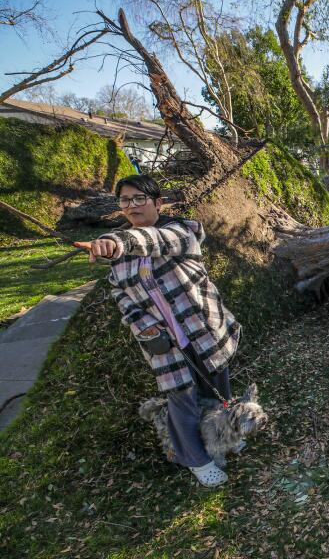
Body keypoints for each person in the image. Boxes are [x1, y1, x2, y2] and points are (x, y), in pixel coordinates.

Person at [74, 175, 241, 487]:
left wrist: (118, 243)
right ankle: (197, 460)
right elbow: (122, 297)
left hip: (203, 329)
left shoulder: (182, 232)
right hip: (163, 344)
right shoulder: (119, 260)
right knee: (182, 400)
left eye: (140, 198)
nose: (132, 205)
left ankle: (227, 437)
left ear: (158, 202)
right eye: (125, 200)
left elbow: (152, 241)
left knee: (217, 390)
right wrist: (146, 330)